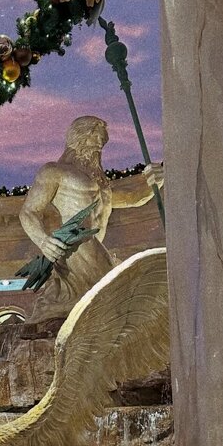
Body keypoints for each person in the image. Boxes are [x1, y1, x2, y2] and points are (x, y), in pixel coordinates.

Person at [18, 115, 163, 322]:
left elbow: (131, 198)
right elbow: (29, 211)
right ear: (81, 136)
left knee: (110, 299)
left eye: (103, 139)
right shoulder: (54, 171)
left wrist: (154, 181)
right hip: (77, 244)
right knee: (115, 296)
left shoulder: (100, 180)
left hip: (95, 245)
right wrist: (43, 241)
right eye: (96, 136)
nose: (100, 143)